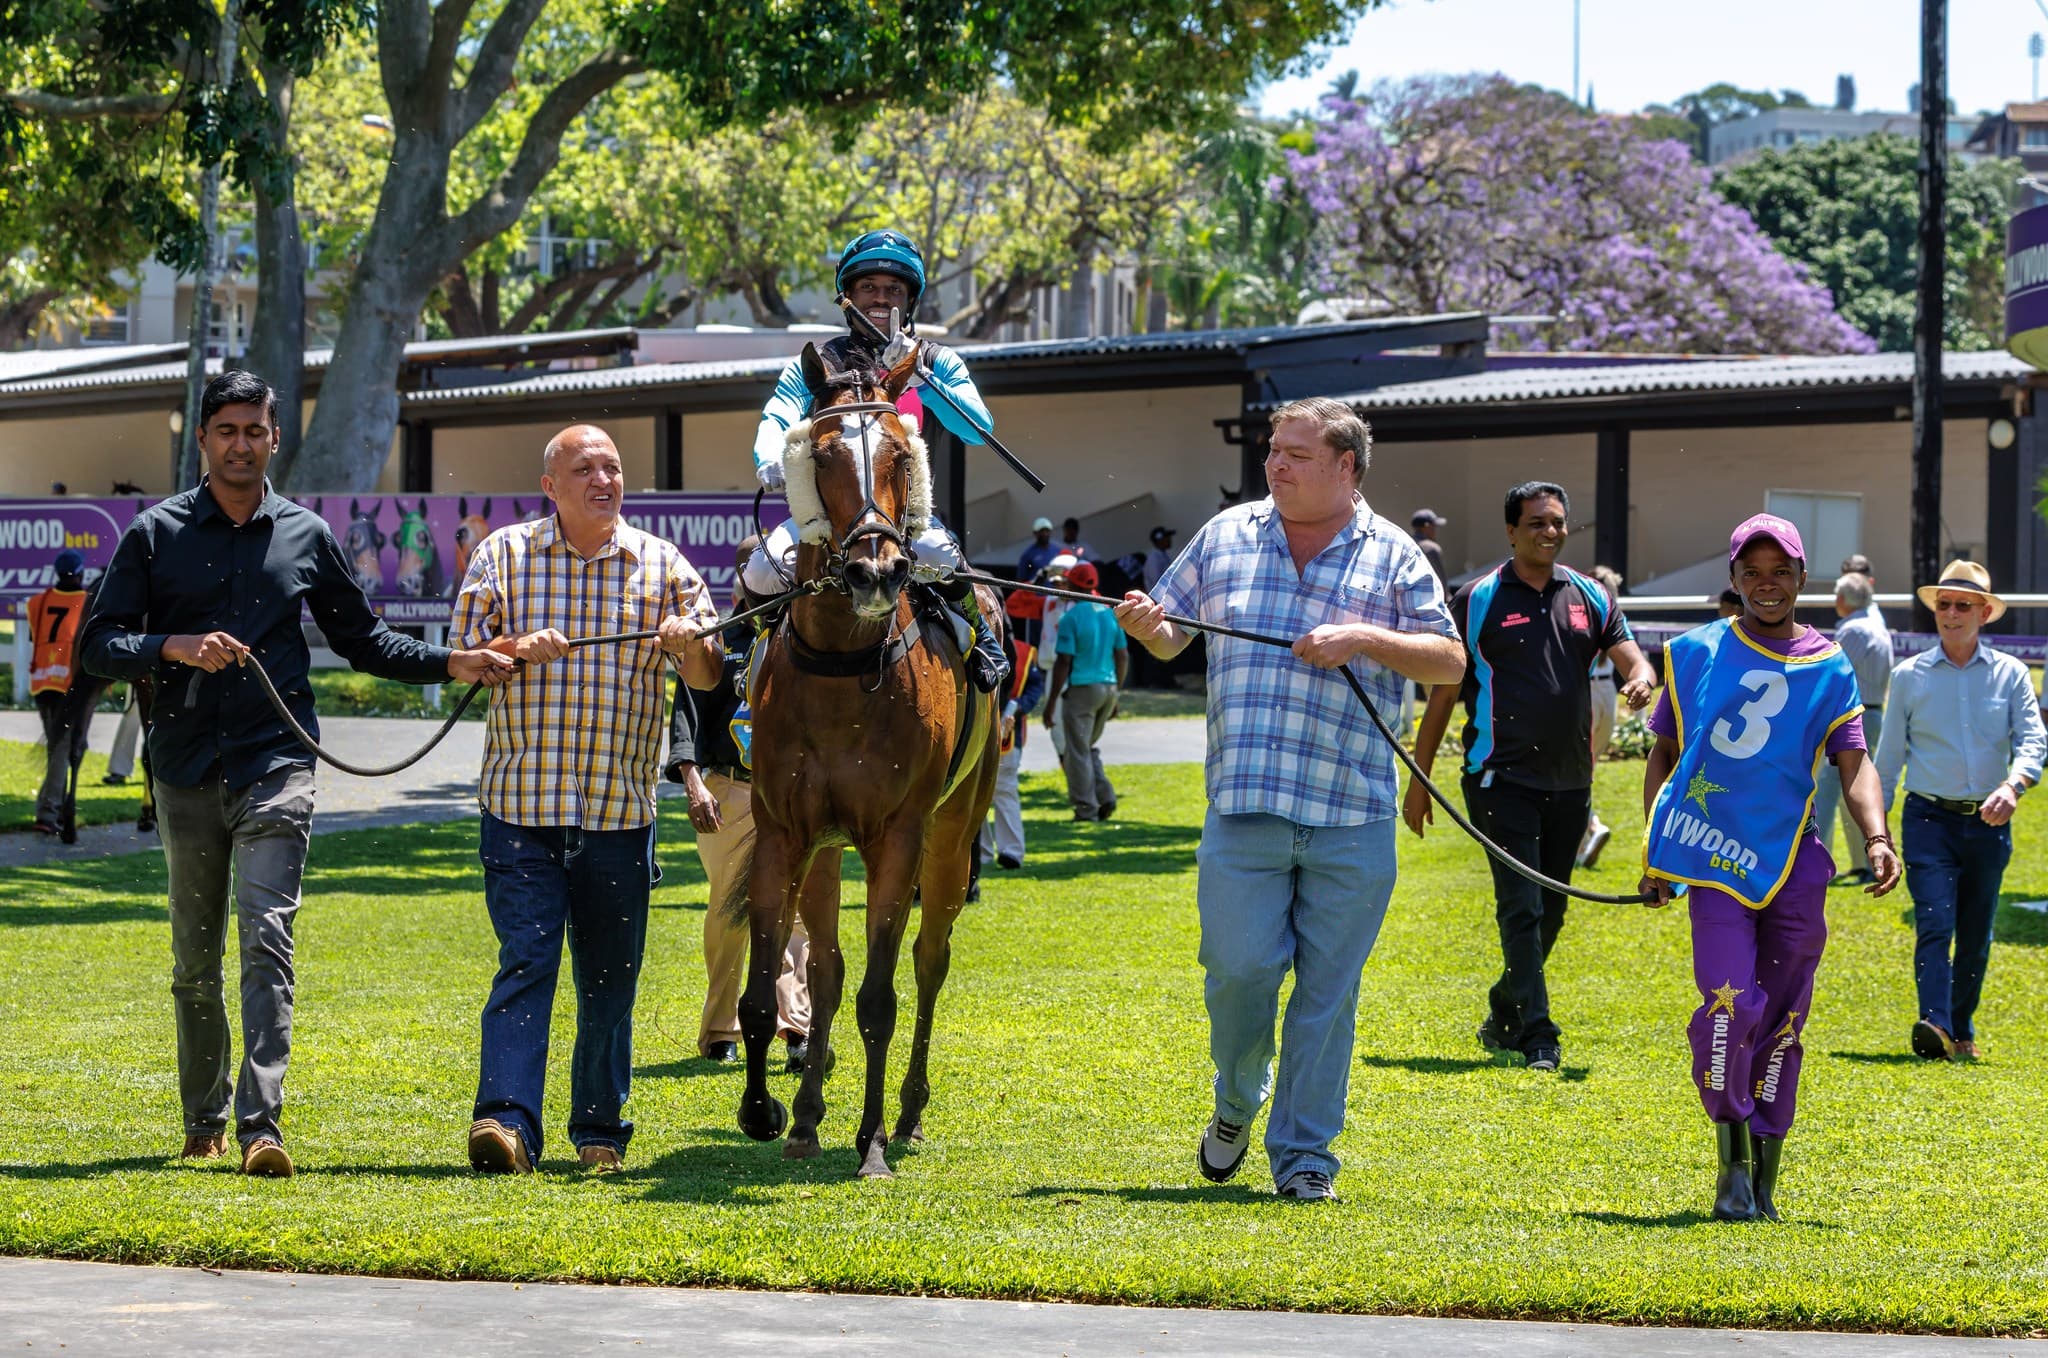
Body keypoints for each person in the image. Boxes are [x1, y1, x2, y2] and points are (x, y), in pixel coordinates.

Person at [79, 370, 513, 1178]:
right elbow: (96, 644)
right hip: (182, 768)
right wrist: (172, 645)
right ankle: (203, 1114)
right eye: (226, 430)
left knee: (267, 938)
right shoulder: (155, 534)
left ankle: (260, 1126)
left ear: (276, 439)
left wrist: (454, 662)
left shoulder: (306, 535)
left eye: (255, 430)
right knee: (193, 960)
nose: (241, 443)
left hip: (277, 764)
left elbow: (367, 641)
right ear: (202, 440)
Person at [1116, 396, 1464, 1202]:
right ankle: (1237, 1100)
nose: (1276, 464)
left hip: (1353, 814)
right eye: (1275, 450)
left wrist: (1364, 638)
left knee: (1326, 998)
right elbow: (1174, 633)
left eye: (1297, 454)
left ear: (1347, 468)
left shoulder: (1395, 555)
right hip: (1245, 806)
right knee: (1237, 973)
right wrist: (1146, 628)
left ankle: (1305, 1157)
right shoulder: (1226, 536)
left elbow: (1447, 660)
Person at [456, 423, 722, 1176]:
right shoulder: (502, 555)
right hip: (520, 810)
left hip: (618, 814)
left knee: (609, 980)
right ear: (551, 486)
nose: (604, 479)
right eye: (585, 468)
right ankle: (504, 1123)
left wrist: (686, 645)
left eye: (612, 467)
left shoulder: (663, 565)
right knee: (527, 962)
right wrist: (513, 649)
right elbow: (465, 660)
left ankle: (599, 1128)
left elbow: (708, 675)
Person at [1638, 513, 1900, 1223]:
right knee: (1729, 1004)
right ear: (1734, 580)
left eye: (1779, 571)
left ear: (1801, 577)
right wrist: (1658, 854)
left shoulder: (1829, 665)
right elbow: (1663, 756)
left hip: (1794, 864)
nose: (1766, 585)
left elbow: (1856, 760)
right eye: (1751, 573)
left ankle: (1766, 1176)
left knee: (1784, 1018)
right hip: (1714, 862)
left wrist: (1876, 837)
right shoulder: (1694, 653)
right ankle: (1731, 1168)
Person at [1404, 484, 1654, 1073]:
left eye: (1558, 522)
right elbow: (1443, 695)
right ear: (1511, 531)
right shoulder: (1478, 598)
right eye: (1537, 522)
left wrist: (1641, 677)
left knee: (1553, 910)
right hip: (1499, 778)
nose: (1550, 531)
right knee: (1520, 907)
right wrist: (1419, 779)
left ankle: (1505, 1006)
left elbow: (1632, 655)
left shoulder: (1590, 595)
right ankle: (1539, 1034)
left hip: (1572, 780)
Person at [742, 227, 1008, 693]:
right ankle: (746, 662)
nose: (880, 298)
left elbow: (978, 428)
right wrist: (769, 455)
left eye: (893, 289)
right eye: (868, 287)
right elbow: (778, 412)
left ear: (910, 299)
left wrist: (919, 374)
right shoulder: (818, 360)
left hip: (902, 521)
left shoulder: (936, 360)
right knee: (761, 571)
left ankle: (980, 635)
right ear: (848, 296)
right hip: (826, 520)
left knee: (941, 556)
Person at [1873, 560, 2045, 1063]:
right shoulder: (1908, 676)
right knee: (1934, 922)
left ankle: (1960, 1027)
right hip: (1927, 819)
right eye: (1943, 604)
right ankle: (1935, 1024)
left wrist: (2015, 786)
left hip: (1990, 824)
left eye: (1962, 605)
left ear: (1985, 612)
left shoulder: (2012, 675)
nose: (1950, 613)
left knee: (1974, 933)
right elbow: (1887, 760)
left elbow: (2034, 739)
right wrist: (1876, 834)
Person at [666, 543, 811, 1070]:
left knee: (796, 913)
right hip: (727, 789)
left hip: (791, 794)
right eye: (769, 570)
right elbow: (685, 712)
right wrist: (692, 781)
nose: (778, 580)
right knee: (731, 911)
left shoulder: (804, 641)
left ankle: (795, 1028)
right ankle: (721, 1029)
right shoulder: (717, 640)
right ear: (744, 575)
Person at [1812, 574, 1893, 887]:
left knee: (1827, 792)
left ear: (1843, 599)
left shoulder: (1854, 629)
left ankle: (1821, 861)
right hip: (1872, 713)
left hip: (1852, 716)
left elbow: (1831, 672)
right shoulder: (1876, 625)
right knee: (1854, 793)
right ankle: (1863, 861)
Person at [1042, 560, 1127, 822]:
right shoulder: (1110, 613)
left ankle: (1085, 809)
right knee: (1085, 745)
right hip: (1109, 687)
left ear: (1072, 584)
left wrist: (1051, 701)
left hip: (1082, 690)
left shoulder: (1071, 618)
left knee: (1075, 751)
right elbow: (1122, 655)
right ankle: (1105, 795)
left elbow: (1063, 662)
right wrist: (1116, 693)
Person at [26, 548, 90, 835]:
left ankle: (59, 808)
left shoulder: (37, 603)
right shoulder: (87, 603)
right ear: (80, 574)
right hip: (69, 686)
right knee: (61, 749)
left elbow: (34, 636)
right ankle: (48, 812)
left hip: (42, 683)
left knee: (57, 746)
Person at [981, 616, 1046, 870]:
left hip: (1010, 730)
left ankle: (1011, 851)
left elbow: (1033, 689)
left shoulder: (1025, 652)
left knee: (1005, 788)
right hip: (976, 729)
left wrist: (1015, 709)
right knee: (974, 794)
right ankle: (982, 852)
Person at [1577, 563, 1627, 867]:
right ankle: (1584, 837)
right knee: (1586, 769)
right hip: (1608, 693)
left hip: (1586, 694)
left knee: (1577, 771)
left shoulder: (1587, 615)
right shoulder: (1616, 616)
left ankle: (1591, 828)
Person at [1410, 508, 1449, 589]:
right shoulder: (1431, 548)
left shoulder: (1408, 543)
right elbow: (1441, 581)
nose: (1435, 530)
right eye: (1434, 526)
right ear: (1426, 526)